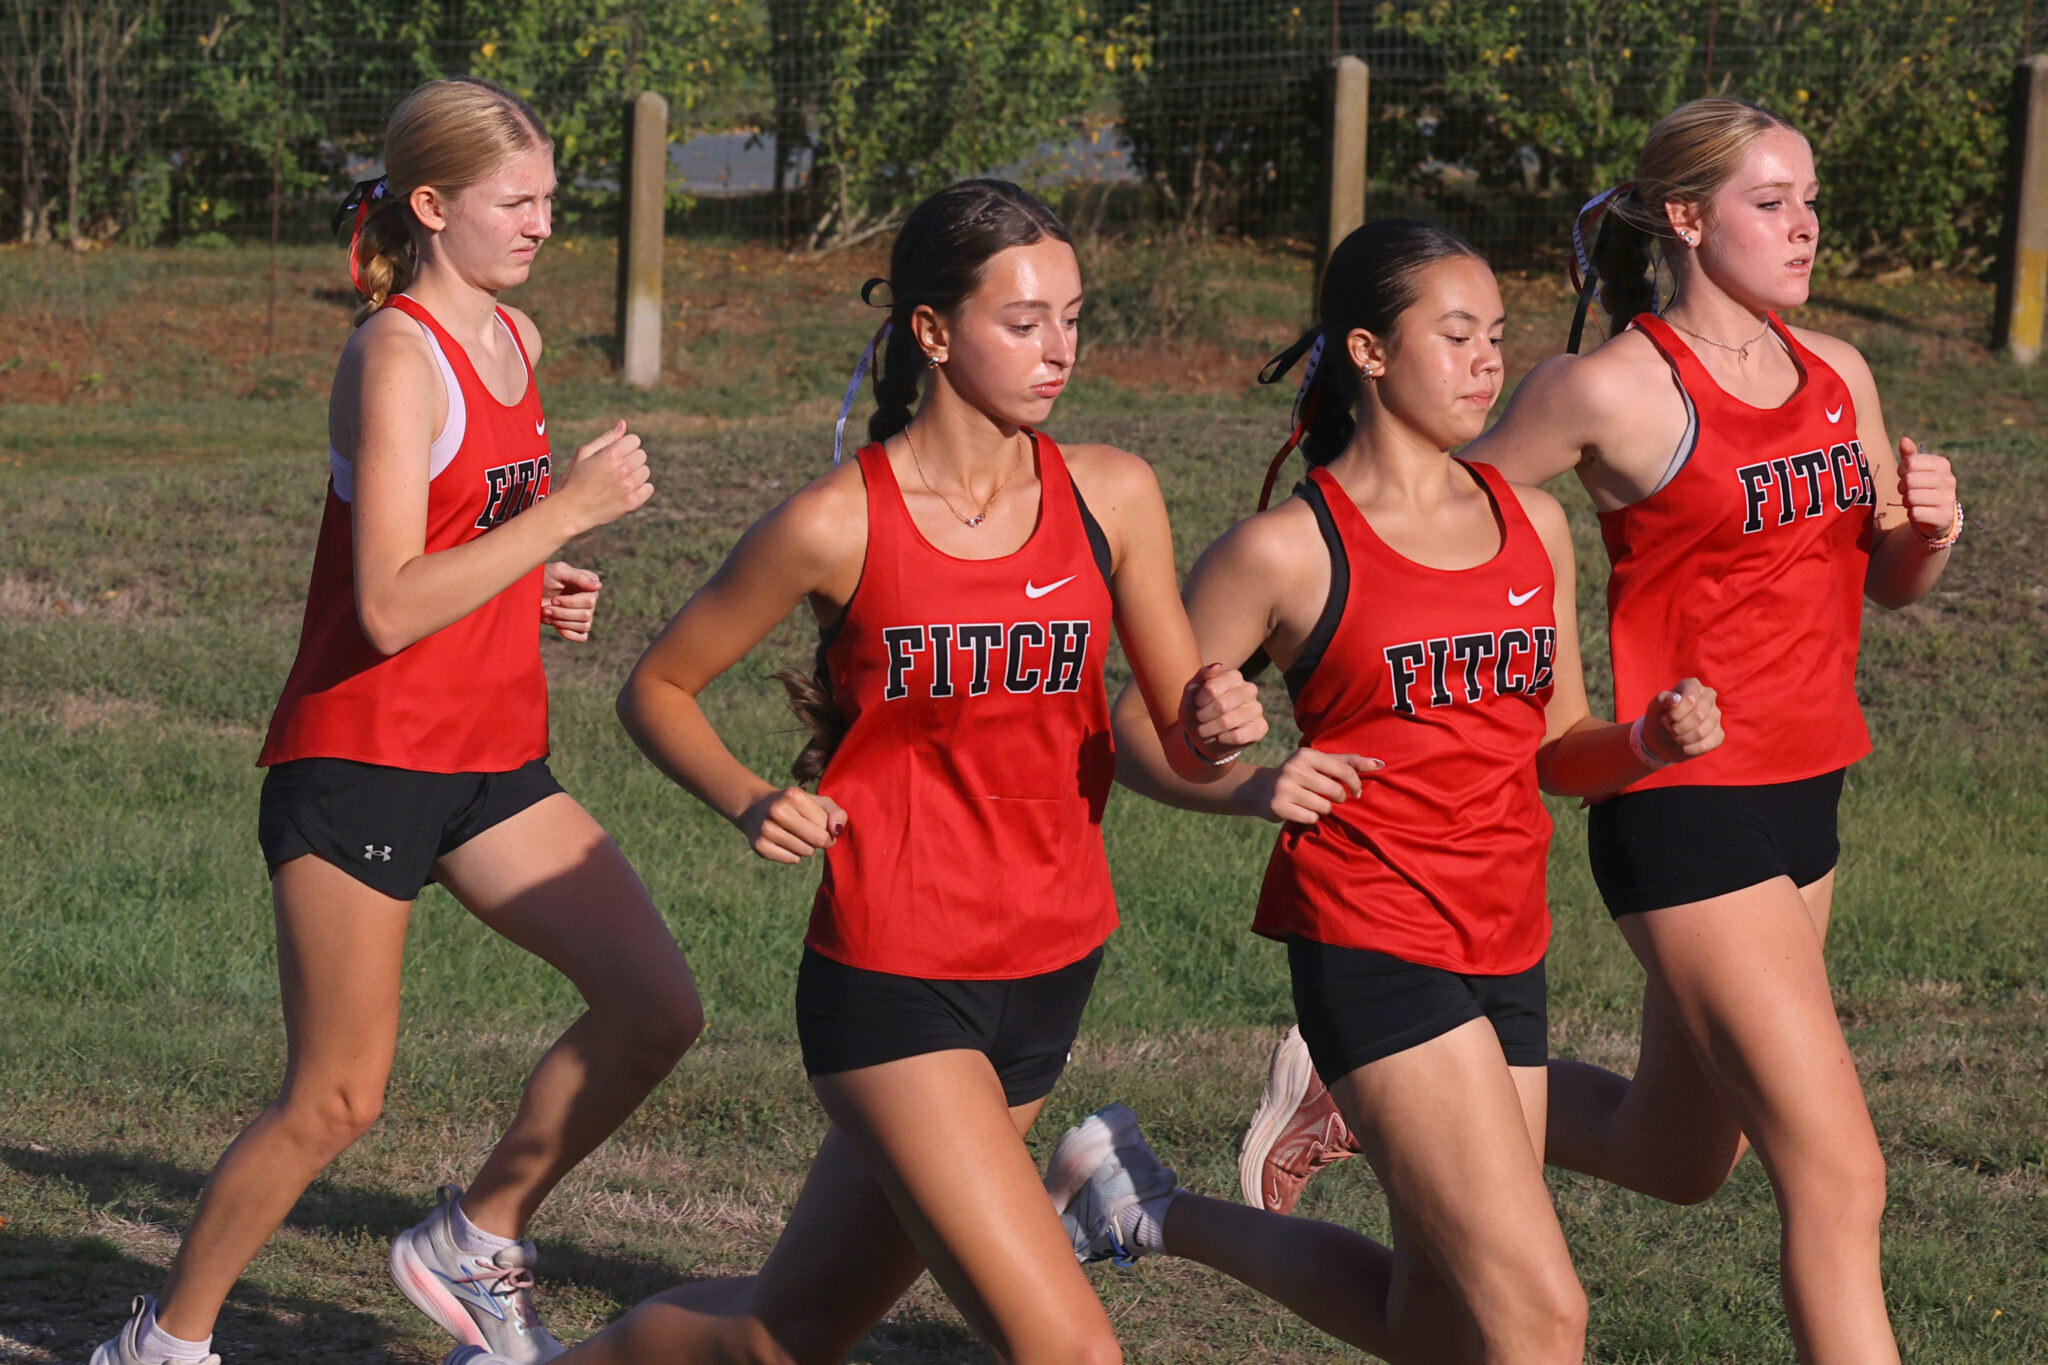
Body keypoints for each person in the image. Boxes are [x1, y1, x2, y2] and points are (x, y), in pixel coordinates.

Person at [439, 178, 1265, 1365]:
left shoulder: (1113, 493)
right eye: (1022, 323)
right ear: (931, 332)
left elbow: (1176, 730)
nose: (1057, 351)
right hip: (895, 978)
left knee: (790, 1333)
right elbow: (655, 689)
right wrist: (749, 798)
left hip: (1052, 965)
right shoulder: (837, 521)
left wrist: (1220, 720)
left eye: (1072, 319)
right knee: (1073, 1353)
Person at [1246, 99, 1961, 1364]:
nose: (1802, 228)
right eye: (1768, 202)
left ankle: (1359, 1094)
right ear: (1682, 219)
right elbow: (1435, 517)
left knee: (1673, 1156)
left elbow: (1880, 583)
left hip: (1810, 791)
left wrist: (1926, 538)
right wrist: (1343, 667)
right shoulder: (1604, 390)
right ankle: (1389, 1081)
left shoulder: (1836, 370)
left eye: (1807, 201)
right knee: (1840, 1176)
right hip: (1681, 804)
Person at [90, 76, 702, 1365]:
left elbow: (455, 543)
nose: (543, 224)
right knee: (335, 1099)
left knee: (654, 1006)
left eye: (551, 199)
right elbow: (380, 605)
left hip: (487, 760)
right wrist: (564, 519)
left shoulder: (518, 343)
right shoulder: (393, 354)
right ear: (432, 206)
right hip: (358, 764)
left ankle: (472, 1239)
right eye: (516, 201)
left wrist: (538, 584)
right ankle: (163, 1343)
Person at [1044, 218, 1722, 1364]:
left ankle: (1136, 1205)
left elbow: (1558, 752)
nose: (1486, 363)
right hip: (1372, 938)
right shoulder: (1287, 552)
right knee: (1542, 1315)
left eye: (1495, 337)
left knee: (1441, 1324)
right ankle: (1146, 1197)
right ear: (1365, 351)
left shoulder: (1534, 525)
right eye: (1453, 336)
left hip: (1507, 936)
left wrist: (1644, 744)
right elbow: (1134, 737)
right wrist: (1250, 784)